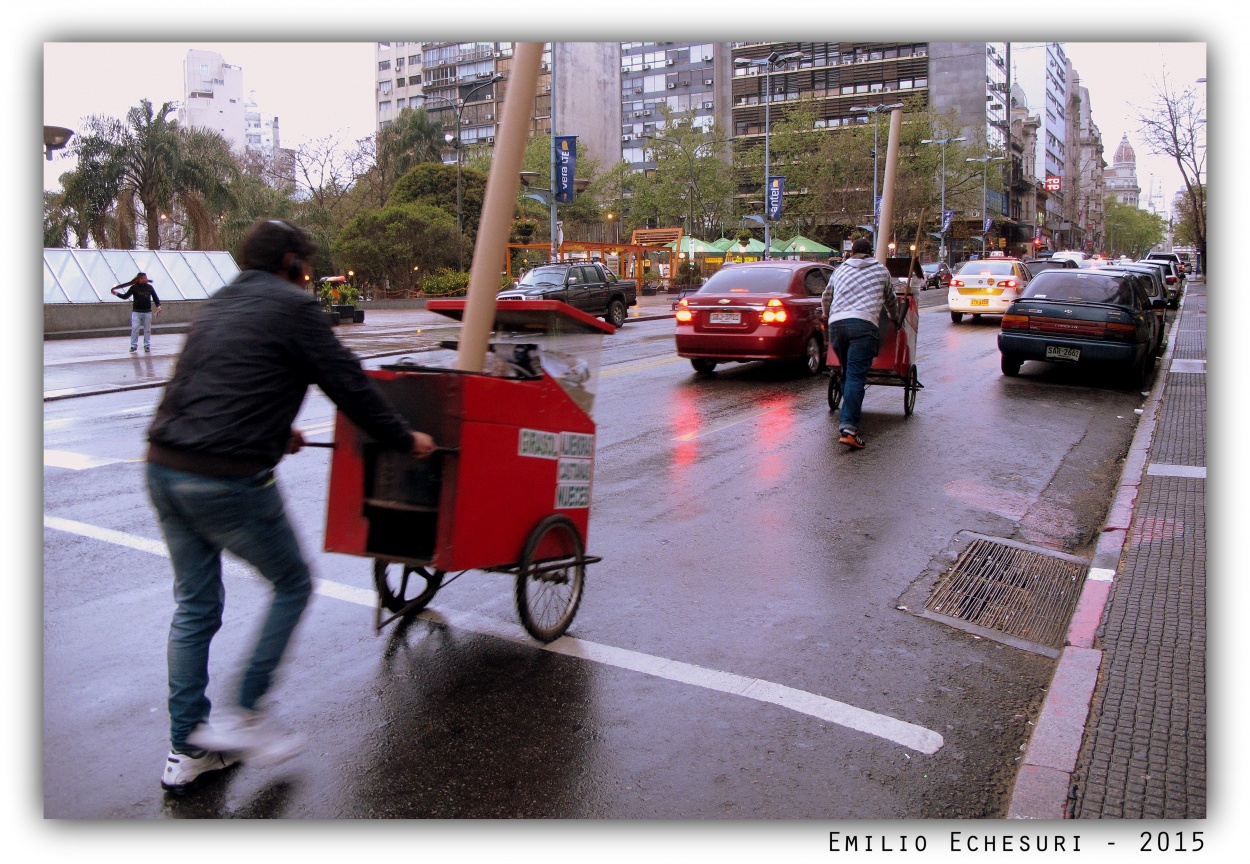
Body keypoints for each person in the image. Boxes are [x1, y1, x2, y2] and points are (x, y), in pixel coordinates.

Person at [146, 218, 437, 795]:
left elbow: (214, 384)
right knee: (294, 583)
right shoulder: (295, 306)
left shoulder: (219, 304)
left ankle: (187, 750)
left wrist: (277, 431)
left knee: (195, 607)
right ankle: (245, 712)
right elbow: (348, 384)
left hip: (164, 466)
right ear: (293, 264)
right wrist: (406, 439)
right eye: (306, 265)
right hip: (227, 478)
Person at [822, 238, 903, 450]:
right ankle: (849, 428)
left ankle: (847, 413)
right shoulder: (880, 270)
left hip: (836, 325)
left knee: (848, 373)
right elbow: (890, 299)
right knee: (857, 376)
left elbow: (827, 296)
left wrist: (825, 314)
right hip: (863, 326)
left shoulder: (840, 270)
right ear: (871, 252)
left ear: (851, 253)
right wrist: (894, 317)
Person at [111, 272, 162, 353]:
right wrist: (116, 293)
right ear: (140, 279)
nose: (146, 279)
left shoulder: (150, 287)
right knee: (135, 329)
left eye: (146, 278)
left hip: (147, 312)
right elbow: (125, 296)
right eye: (144, 278)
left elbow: (155, 297)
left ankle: (147, 345)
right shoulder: (134, 288)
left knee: (147, 330)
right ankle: (133, 345)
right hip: (136, 312)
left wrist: (158, 305)